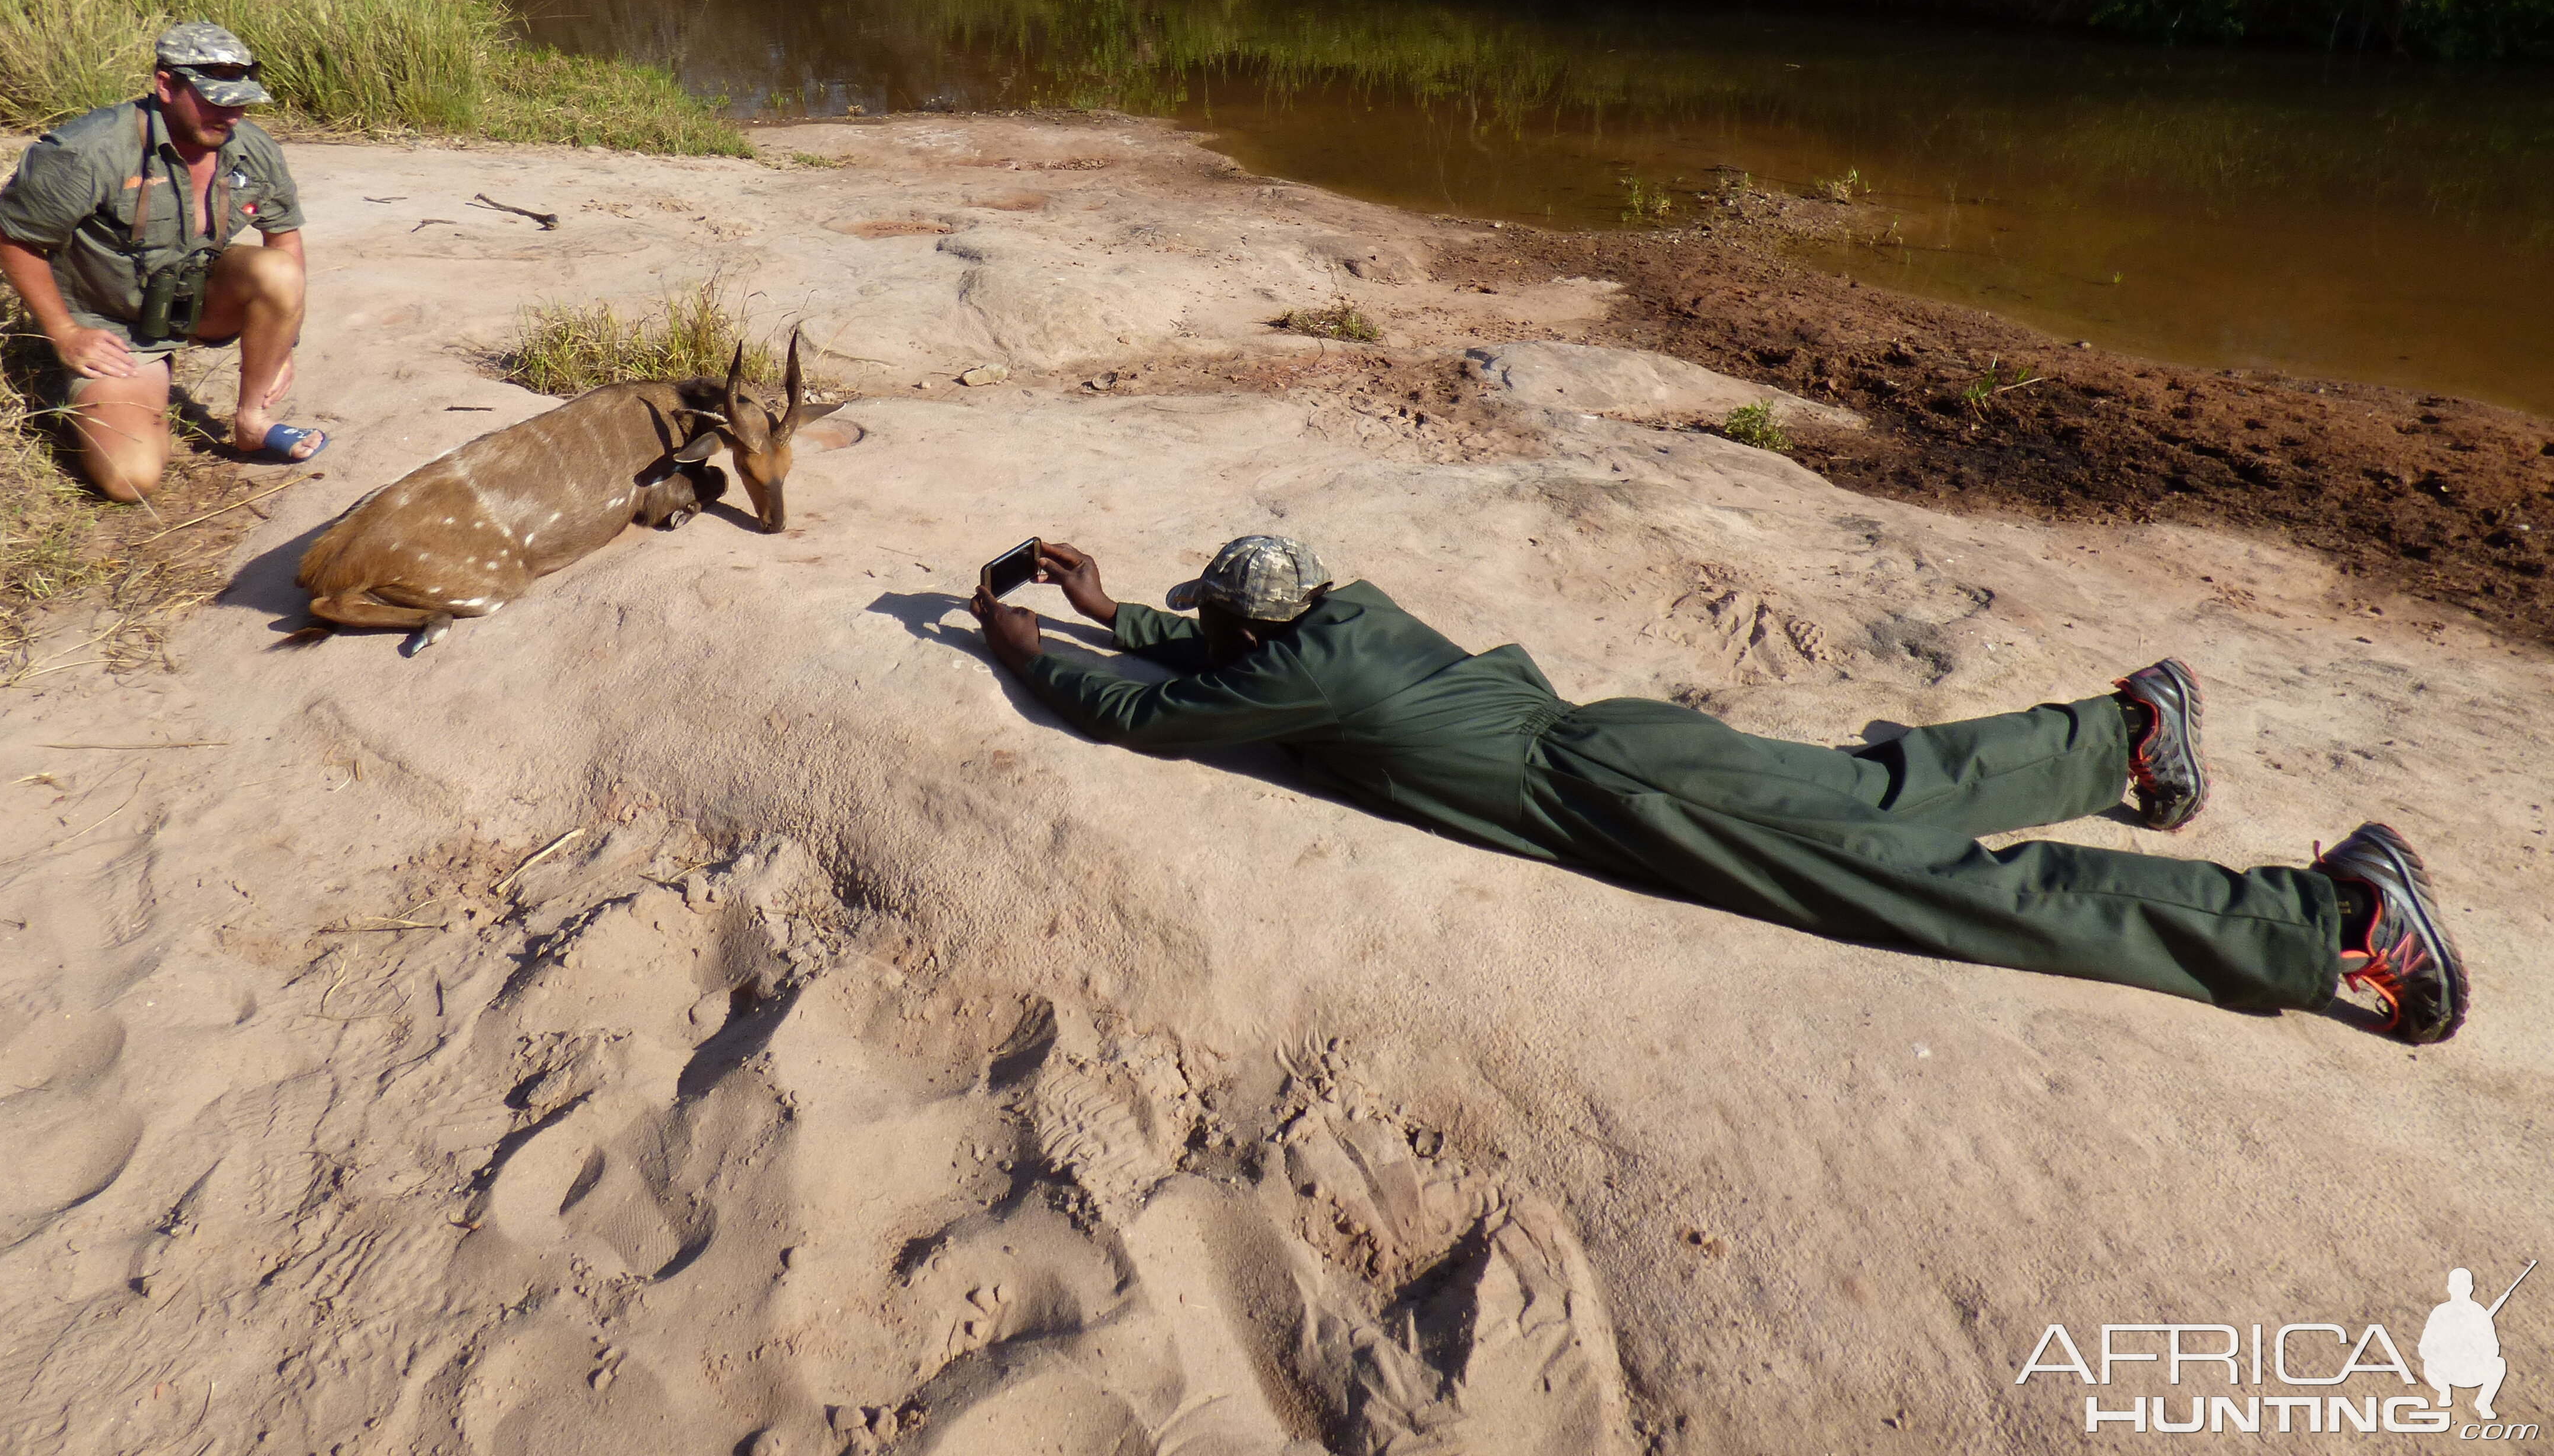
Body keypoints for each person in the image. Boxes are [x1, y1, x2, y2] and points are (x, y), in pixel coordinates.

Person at [971, 535, 2471, 1044]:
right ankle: (2121, 735)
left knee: (1941, 890)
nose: (1220, 639)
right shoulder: (1347, 615)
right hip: (1622, 742)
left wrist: (1037, 646)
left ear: (1259, 631)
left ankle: (2324, 916)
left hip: (1630, 802)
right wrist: (1125, 606)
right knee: (1884, 793)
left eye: (1214, 624)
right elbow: (1223, 658)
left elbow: (1151, 721)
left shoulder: (1298, 673)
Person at [0, 24, 324, 502]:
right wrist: (64, 332)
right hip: (117, 331)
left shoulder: (252, 147)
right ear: (166, 85)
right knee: (132, 478)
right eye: (213, 101)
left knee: (279, 273)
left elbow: (285, 238)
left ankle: (251, 422)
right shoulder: (88, 151)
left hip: (198, 302)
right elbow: (7, 232)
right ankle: (99, 392)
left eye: (239, 102)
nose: (230, 115)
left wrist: (282, 340)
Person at [2419, 1268, 2512, 1420]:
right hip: (2445, 1371)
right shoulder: (2440, 1312)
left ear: (2471, 1289)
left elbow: (2494, 1349)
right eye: (2457, 1287)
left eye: (2462, 1287)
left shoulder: (2479, 1312)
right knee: (2429, 1364)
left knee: (2499, 1364)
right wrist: (2445, 1349)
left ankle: (2484, 1403)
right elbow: (2424, 1347)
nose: (2460, 1290)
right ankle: (2444, 1392)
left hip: (2472, 1371)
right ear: (2449, 1288)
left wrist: (2474, 1347)